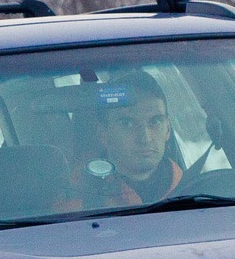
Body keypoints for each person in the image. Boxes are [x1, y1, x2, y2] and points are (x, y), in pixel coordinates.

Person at [76, 71, 183, 209]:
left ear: (168, 129)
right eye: (128, 123)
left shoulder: (195, 192)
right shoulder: (76, 201)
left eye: (155, 121)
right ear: (103, 134)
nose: (145, 138)